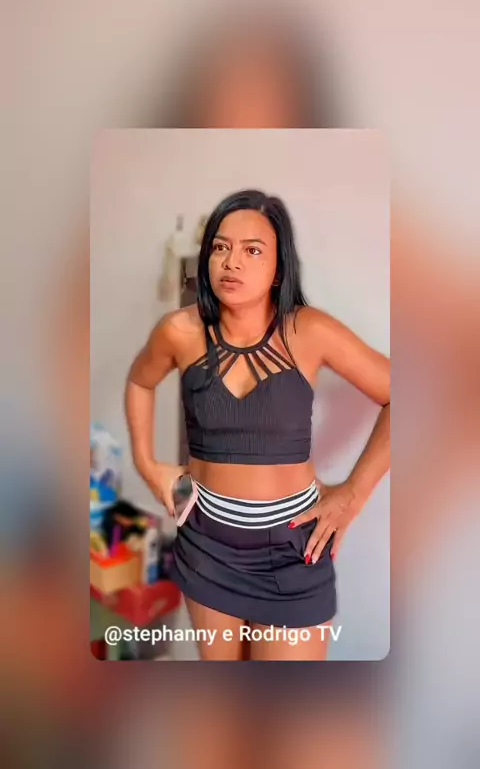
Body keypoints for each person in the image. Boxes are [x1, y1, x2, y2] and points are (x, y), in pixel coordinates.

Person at [125, 189, 390, 660]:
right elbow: (140, 382)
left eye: (252, 250)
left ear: (278, 269)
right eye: (220, 247)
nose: (231, 262)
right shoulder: (179, 332)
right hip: (206, 546)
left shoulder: (310, 331)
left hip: (294, 553)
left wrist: (353, 493)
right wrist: (148, 465)